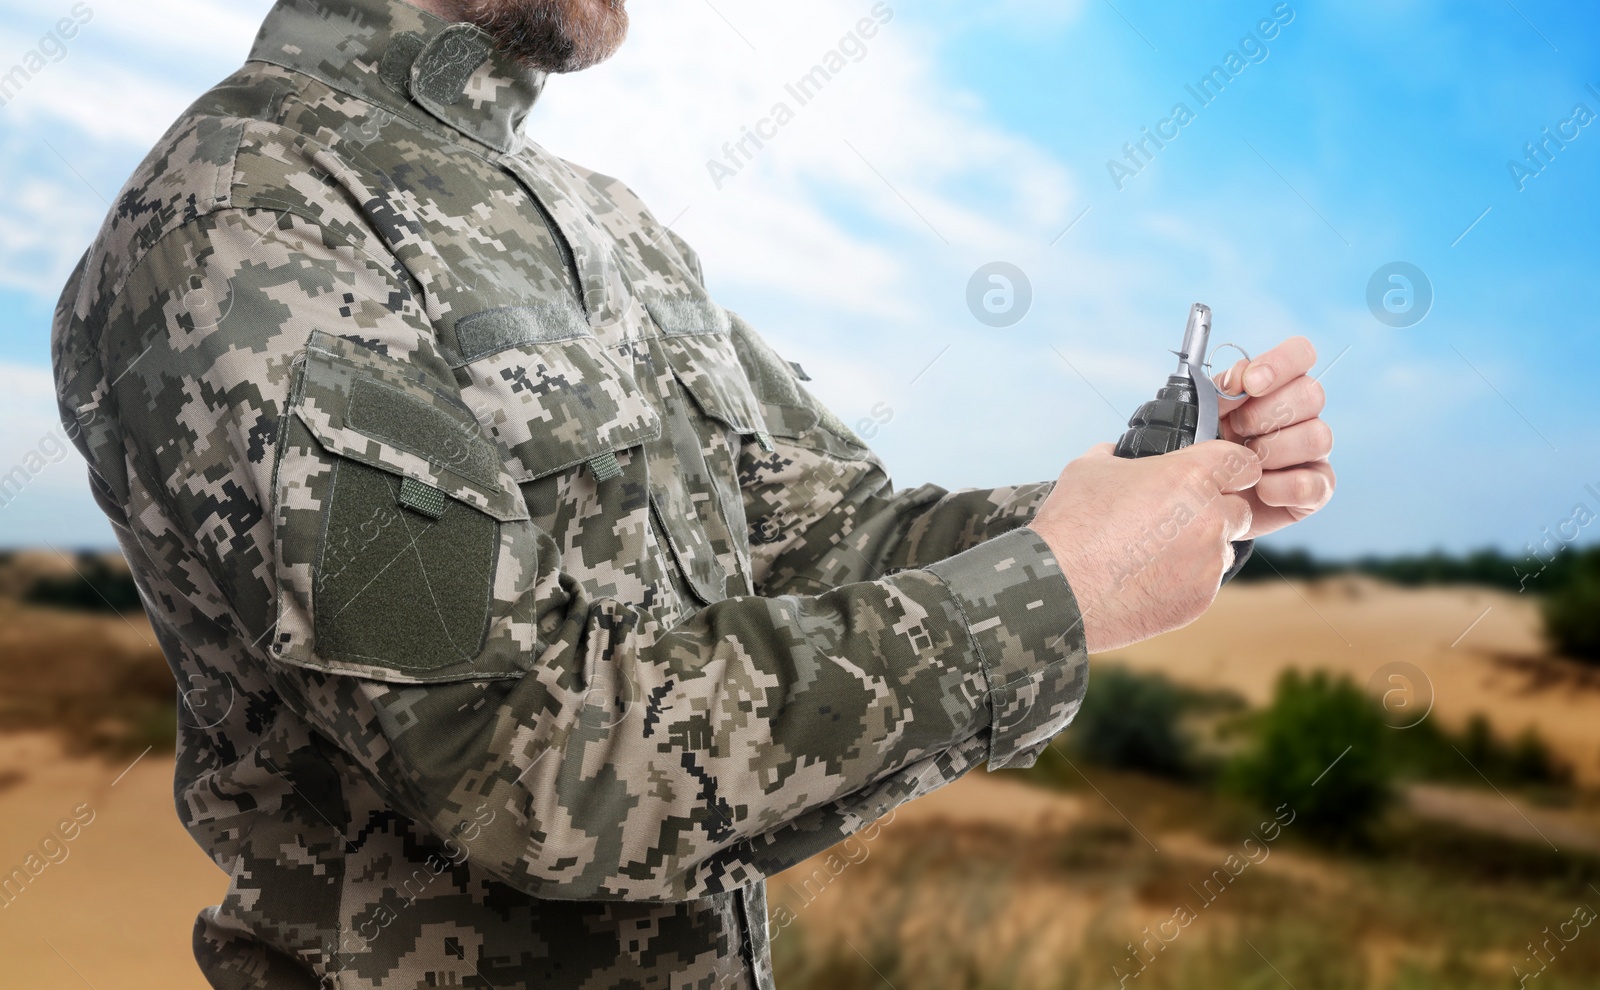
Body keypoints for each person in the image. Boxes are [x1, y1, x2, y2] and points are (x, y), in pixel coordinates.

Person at [50, 0, 1335, 986]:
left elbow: (833, 540)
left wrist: (1148, 497)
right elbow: (521, 762)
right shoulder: (246, 216)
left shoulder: (607, 224)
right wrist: (1055, 590)